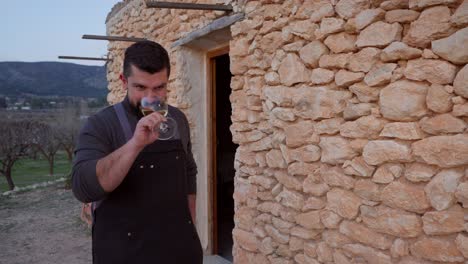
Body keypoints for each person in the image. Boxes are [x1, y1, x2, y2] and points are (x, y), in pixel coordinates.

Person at [71, 40, 202, 264]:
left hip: (177, 250)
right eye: (140, 87)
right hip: (125, 252)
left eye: (159, 87)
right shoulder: (101, 124)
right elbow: (83, 188)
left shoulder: (178, 119)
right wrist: (135, 144)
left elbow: (188, 172)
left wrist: (190, 228)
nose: (150, 98)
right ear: (124, 82)